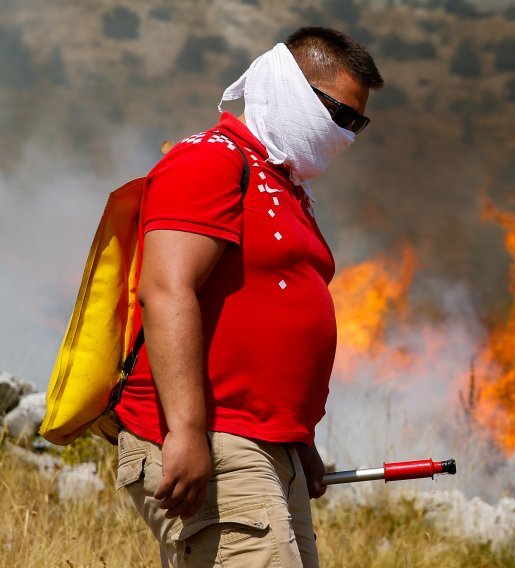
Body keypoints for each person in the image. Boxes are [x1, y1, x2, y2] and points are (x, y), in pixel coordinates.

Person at [113, 27, 383, 567]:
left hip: (266, 446)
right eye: (340, 115)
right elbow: (166, 290)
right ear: (292, 90)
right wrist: (187, 433)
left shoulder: (283, 185)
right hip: (217, 439)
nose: (347, 135)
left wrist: (296, 439)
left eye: (359, 123)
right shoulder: (209, 160)